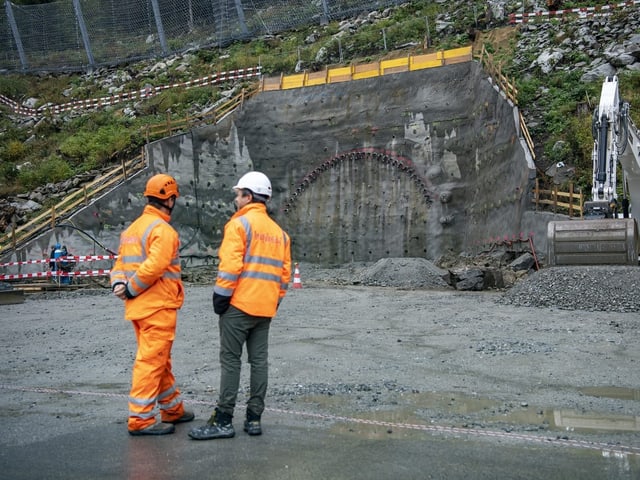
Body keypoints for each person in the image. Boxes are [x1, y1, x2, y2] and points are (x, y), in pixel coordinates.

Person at [189, 171, 291, 440]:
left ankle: (223, 420)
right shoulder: (280, 234)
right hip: (265, 309)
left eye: (238, 194)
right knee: (259, 362)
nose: (235, 199)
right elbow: (284, 276)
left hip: (238, 306)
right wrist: (274, 301)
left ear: (248, 196)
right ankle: (254, 418)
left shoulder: (239, 225)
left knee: (231, 361)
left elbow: (231, 266)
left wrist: (220, 298)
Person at [110, 173, 194, 436]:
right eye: (173, 198)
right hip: (157, 306)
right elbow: (155, 266)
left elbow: (118, 266)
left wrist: (120, 286)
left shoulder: (132, 230)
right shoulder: (163, 231)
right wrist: (132, 289)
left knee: (159, 360)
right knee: (151, 362)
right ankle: (141, 419)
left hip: (139, 310)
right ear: (168, 199)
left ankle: (172, 409)